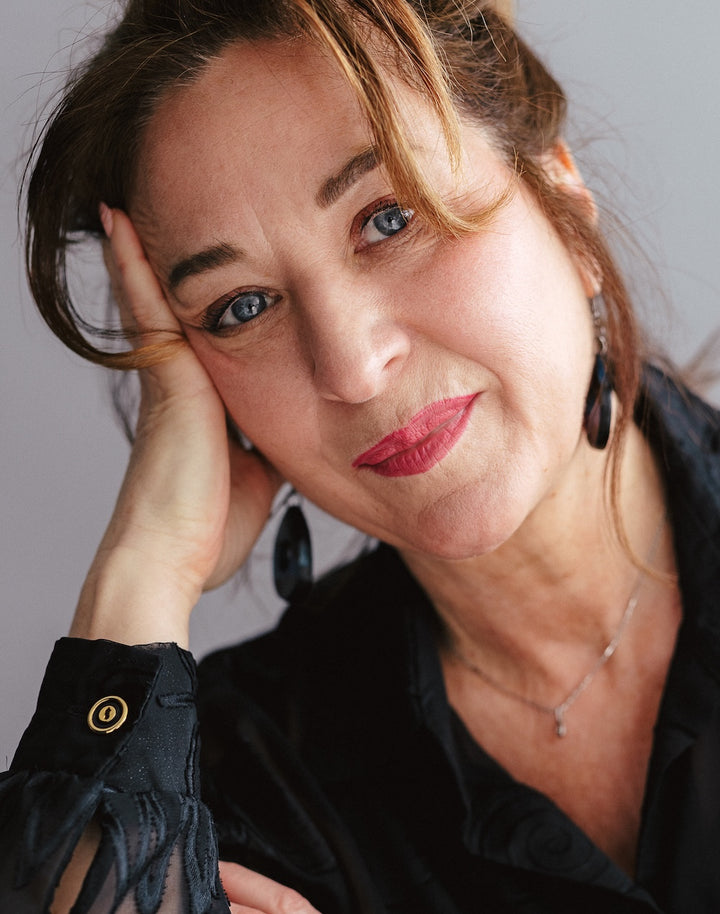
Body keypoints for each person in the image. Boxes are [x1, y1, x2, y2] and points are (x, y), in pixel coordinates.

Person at [2, 0, 719, 912]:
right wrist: (146, 563)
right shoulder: (237, 784)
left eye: (388, 218)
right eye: (242, 307)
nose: (350, 366)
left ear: (560, 200)